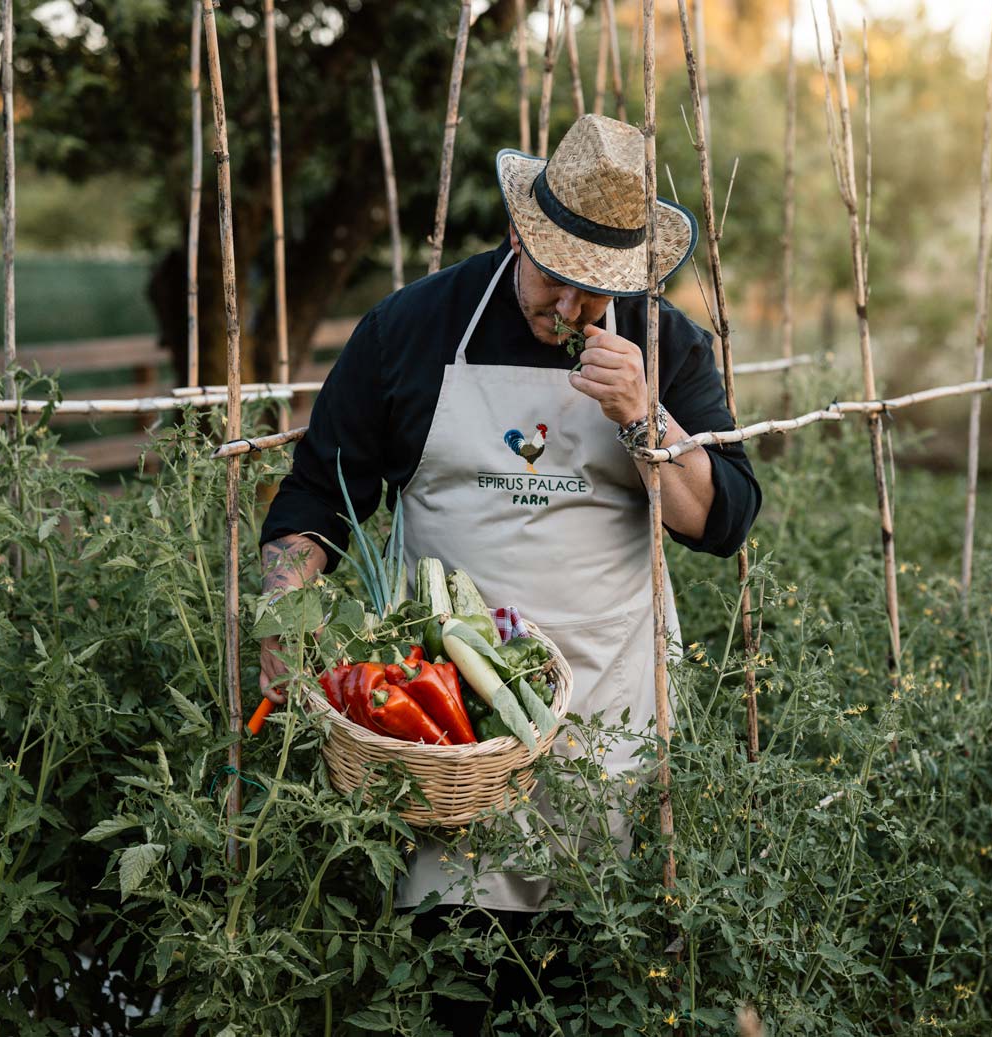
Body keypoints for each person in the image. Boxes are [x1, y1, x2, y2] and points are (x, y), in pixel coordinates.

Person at [256, 114, 760, 1030]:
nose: (569, 314)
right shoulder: (414, 328)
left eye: (597, 296)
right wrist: (281, 616)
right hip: (450, 733)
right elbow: (316, 500)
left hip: (613, 726)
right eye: (557, 283)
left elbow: (721, 518)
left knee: (597, 986)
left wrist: (646, 420)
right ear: (522, 233)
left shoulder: (666, 346)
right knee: (457, 986)